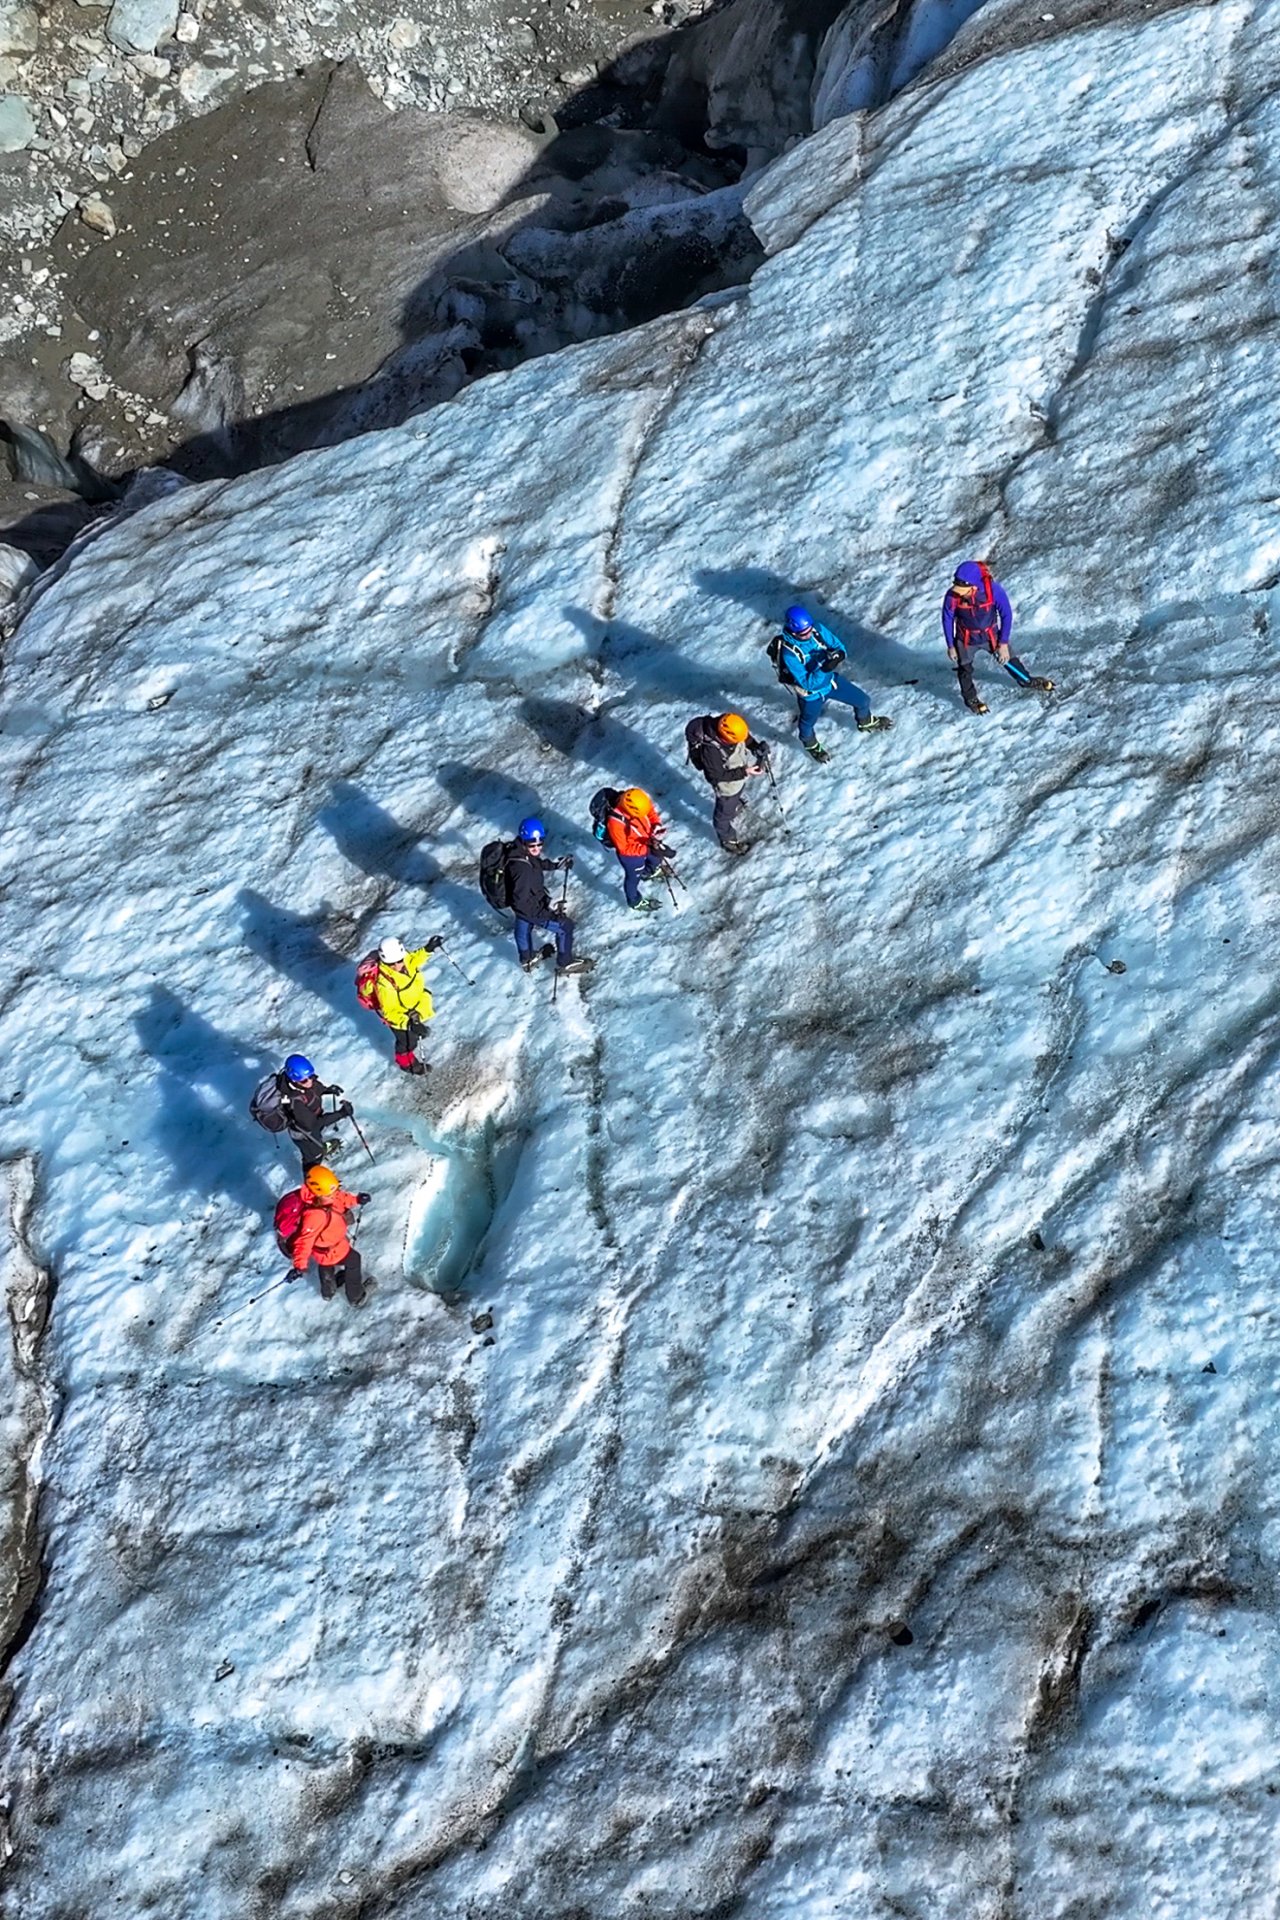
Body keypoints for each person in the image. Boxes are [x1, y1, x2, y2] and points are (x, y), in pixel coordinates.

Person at [772, 605, 892, 762]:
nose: (808, 634)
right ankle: (811, 745)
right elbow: (808, 683)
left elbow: (838, 646)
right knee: (807, 724)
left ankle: (865, 722)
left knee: (863, 701)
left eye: (809, 629)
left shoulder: (817, 630)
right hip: (811, 695)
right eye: (803, 633)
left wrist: (839, 655)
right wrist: (825, 668)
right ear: (793, 632)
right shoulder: (789, 654)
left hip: (831, 682)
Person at [942, 561, 1053, 713]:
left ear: (974, 586)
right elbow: (947, 619)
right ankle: (970, 698)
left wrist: (1003, 643)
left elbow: (1006, 615)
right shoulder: (952, 596)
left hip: (991, 636)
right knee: (964, 669)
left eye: (963, 590)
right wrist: (951, 646)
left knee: (1009, 660)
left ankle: (1026, 680)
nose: (959, 593)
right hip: (966, 639)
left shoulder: (994, 590)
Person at [505, 817, 593, 976]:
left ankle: (527, 959)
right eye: (532, 844)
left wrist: (556, 865)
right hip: (529, 906)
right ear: (524, 840)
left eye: (540, 843)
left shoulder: (520, 852)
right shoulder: (521, 869)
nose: (537, 848)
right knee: (565, 927)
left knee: (523, 924)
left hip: (527, 904)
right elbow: (521, 903)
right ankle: (565, 964)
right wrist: (545, 912)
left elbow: (536, 864)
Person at [684, 712, 770, 855]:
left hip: (736, 778)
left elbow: (744, 738)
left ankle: (735, 804)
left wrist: (755, 747)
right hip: (726, 787)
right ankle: (728, 840)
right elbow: (716, 776)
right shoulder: (711, 751)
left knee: (736, 794)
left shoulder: (727, 724)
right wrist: (744, 772)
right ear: (726, 738)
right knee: (722, 817)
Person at [359, 934, 443, 1075]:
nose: (396, 966)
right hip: (400, 1018)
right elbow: (390, 1013)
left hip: (411, 1006)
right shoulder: (384, 984)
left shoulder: (405, 959)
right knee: (407, 1042)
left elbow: (414, 959)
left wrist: (428, 949)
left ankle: (416, 1032)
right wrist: (410, 1025)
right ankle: (407, 1065)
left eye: (399, 961)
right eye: (391, 964)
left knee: (414, 1034)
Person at [287, 1164, 370, 1305]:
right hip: (333, 1249)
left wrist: (356, 1200)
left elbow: (342, 1198)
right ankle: (356, 1297)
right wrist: (299, 1265)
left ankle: (328, 1292)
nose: (334, 1195)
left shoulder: (328, 1196)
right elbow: (304, 1241)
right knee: (354, 1260)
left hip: (326, 1250)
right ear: (318, 1194)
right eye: (330, 1194)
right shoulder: (314, 1216)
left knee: (325, 1266)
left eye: (335, 1190)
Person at [272, 1054, 352, 1170]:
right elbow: (314, 1124)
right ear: (293, 1080)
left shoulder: (303, 1084)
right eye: (304, 1080)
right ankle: (311, 1176)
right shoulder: (294, 1101)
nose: (310, 1081)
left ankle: (321, 1147)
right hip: (304, 1134)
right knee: (313, 1158)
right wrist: (341, 1113)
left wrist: (327, 1090)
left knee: (317, 1139)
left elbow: (316, 1090)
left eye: (311, 1076)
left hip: (311, 1124)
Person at [604, 787, 674, 912]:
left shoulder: (639, 801)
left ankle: (648, 872)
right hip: (631, 857)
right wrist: (647, 848)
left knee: (656, 859)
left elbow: (649, 811)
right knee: (633, 879)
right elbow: (624, 849)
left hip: (647, 841)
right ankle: (634, 901)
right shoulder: (615, 823)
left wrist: (656, 824)